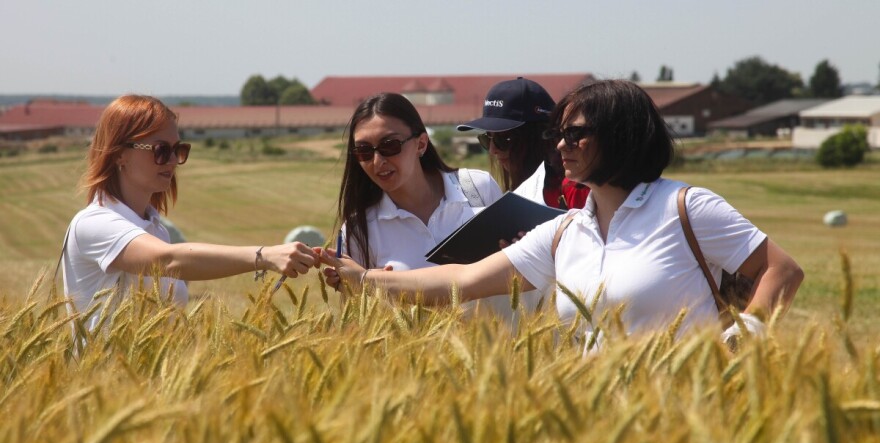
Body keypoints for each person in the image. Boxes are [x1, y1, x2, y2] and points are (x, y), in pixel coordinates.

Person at [322, 80, 804, 350]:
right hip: (603, 425)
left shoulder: (685, 206)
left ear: (620, 135)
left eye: (574, 135)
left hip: (690, 417)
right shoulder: (565, 231)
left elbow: (781, 270)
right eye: (558, 134)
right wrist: (362, 278)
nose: (559, 146)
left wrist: (748, 335)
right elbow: (462, 281)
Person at [62, 95, 320, 335]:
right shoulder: (93, 223)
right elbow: (167, 261)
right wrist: (264, 256)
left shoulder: (155, 230)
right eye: (161, 150)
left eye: (179, 150)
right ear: (120, 153)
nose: (173, 160)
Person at [333, 92, 502, 273]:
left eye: (390, 145)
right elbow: (355, 299)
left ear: (421, 144)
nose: (377, 161)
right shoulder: (359, 229)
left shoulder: (478, 187)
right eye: (363, 150)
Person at [457, 77, 589, 211]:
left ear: (540, 135)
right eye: (487, 138)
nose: (492, 150)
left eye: (504, 139)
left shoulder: (577, 189)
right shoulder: (517, 194)